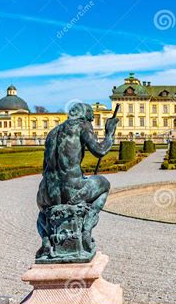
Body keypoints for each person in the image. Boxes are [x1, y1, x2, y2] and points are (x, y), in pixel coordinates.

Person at [36, 102, 119, 260]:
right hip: (72, 191)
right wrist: (109, 133)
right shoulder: (83, 125)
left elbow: (44, 168)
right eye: (91, 119)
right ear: (86, 116)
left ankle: (46, 240)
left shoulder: (52, 133)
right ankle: (86, 228)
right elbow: (100, 151)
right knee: (104, 184)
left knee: (43, 212)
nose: (91, 122)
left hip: (45, 194)